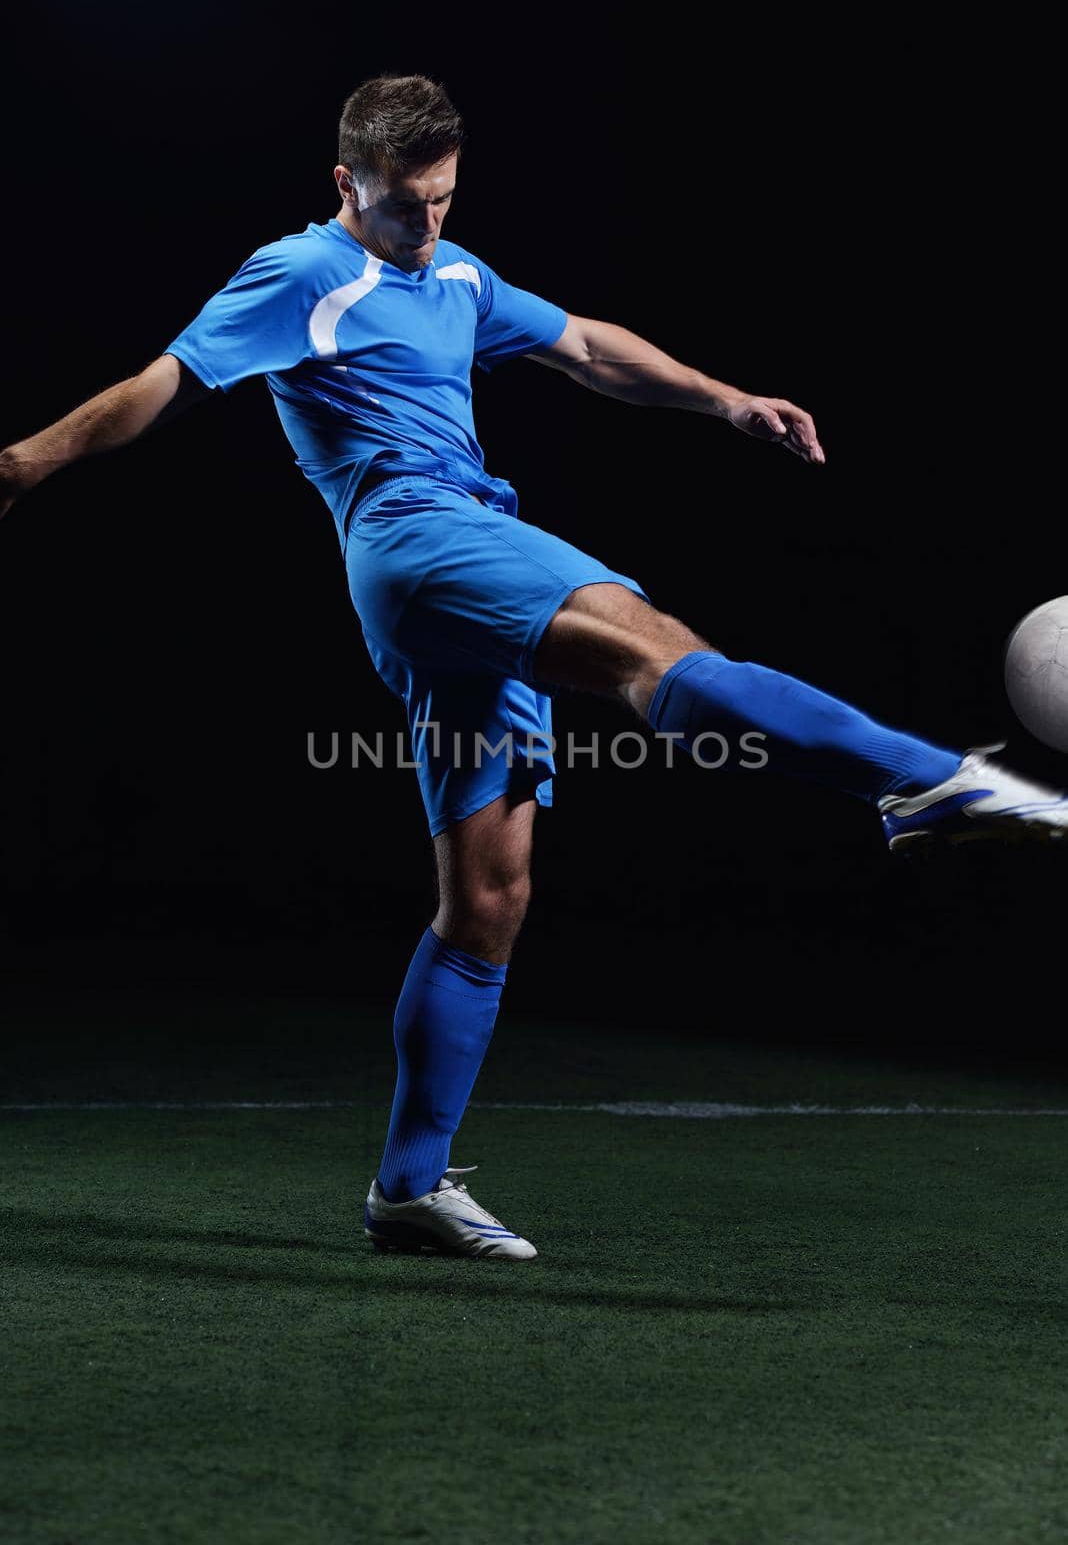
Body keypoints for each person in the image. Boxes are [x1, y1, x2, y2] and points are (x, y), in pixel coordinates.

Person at [2, 73, 1065, 1263]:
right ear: (345, 184)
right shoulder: (303, 270)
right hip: (422, 538)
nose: (429, 221)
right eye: (406, 203)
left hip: (441, 589)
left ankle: (407, 1189)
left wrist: (725, 401)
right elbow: (167, 383)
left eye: (445, 198)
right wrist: (21, 465)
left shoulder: (457, 276)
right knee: (659, 650)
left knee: (488, 897)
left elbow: (588, 348)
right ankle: (923, 779)